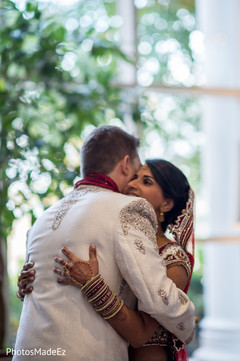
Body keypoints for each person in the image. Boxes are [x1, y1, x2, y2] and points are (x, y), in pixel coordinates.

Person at [14, 125, 195, 361]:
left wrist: (92, 285)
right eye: (135, 175)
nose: (132, 184)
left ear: (168, 203)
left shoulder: (44, 217)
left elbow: (145, 330)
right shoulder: (124, 210)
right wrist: (188, 320)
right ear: (125, 163)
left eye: (146, 181)